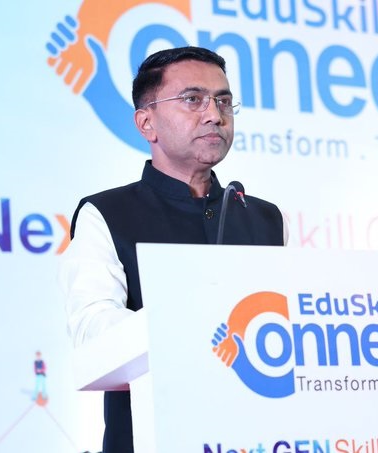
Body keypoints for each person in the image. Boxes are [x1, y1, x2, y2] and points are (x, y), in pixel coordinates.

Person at [59, 46, 286, 453]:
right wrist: (192, 323)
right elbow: (92, 332)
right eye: (193, 99)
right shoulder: (106, 214)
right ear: (146, 123)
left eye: (224, 101)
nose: (214, 114)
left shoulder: (266, 218)